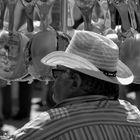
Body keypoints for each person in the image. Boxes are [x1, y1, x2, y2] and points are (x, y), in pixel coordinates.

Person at [9, 30, 140, 140]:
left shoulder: (52, 124)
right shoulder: (133, 115)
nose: (54, 81)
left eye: (57, 73)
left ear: (75, 81)